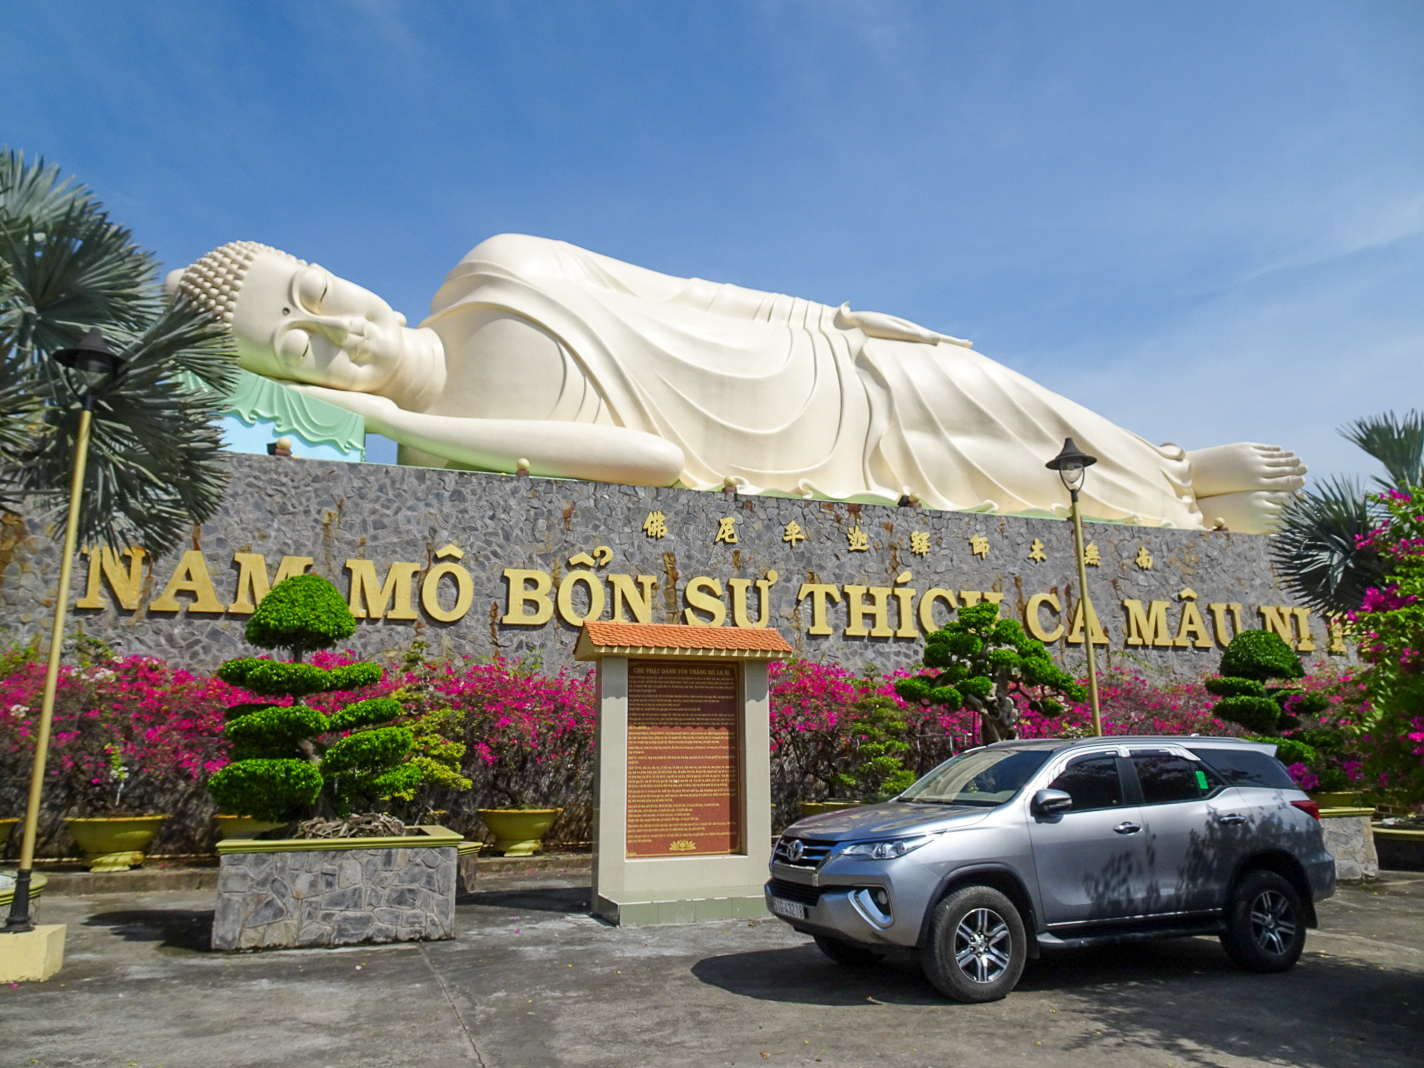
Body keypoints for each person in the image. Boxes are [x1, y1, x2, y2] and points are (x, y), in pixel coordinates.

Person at [168, 234, 1306, 531]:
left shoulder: (490, 266)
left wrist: (830, 316)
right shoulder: (435, 443)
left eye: (316, 288)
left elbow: (687, 291)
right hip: (787, 454)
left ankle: (1164, 465)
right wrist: (371, 416)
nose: (338, 326)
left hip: (810, 363)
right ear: (283, 386)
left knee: (995, 395)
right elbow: (654, 465)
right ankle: (1164, 501)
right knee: (996, 487)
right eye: (300, 348)